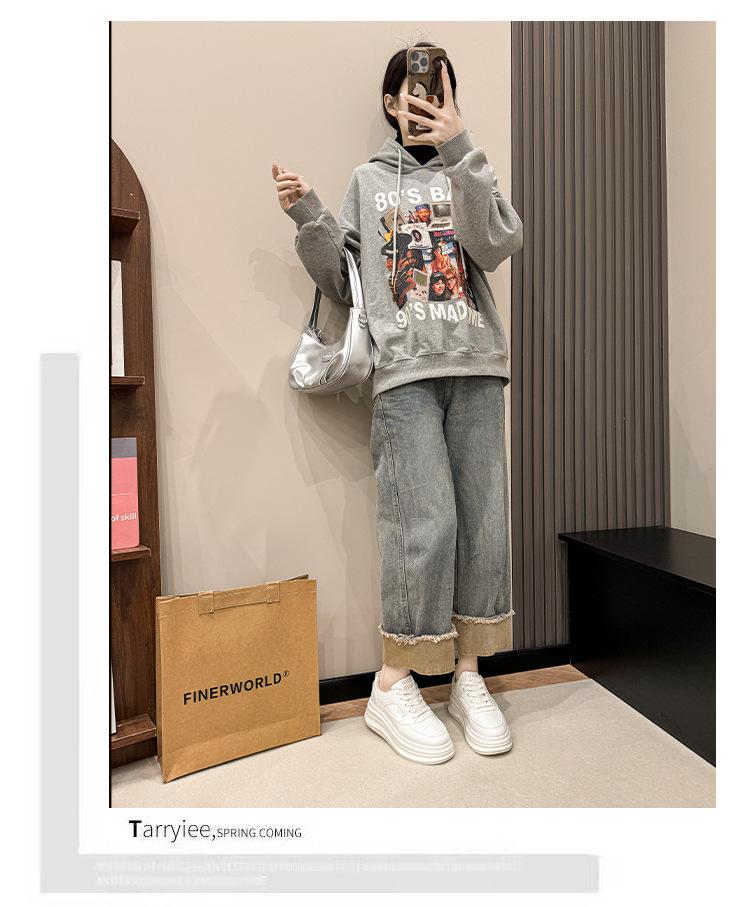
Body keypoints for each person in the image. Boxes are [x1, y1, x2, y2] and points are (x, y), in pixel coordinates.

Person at [272, 41, 523, 765]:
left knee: (484, 522)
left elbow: (497, 242)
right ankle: (393, 682)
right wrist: (309, 213)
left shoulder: (468, 166)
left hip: (477, 364)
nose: (427, 102)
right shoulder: (368, 179)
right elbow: (343, 280)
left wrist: (461, 147)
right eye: (416, 92)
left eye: (441, 93)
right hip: (404, 375)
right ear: (391, 101)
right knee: (423, 522)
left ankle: (468, 674)